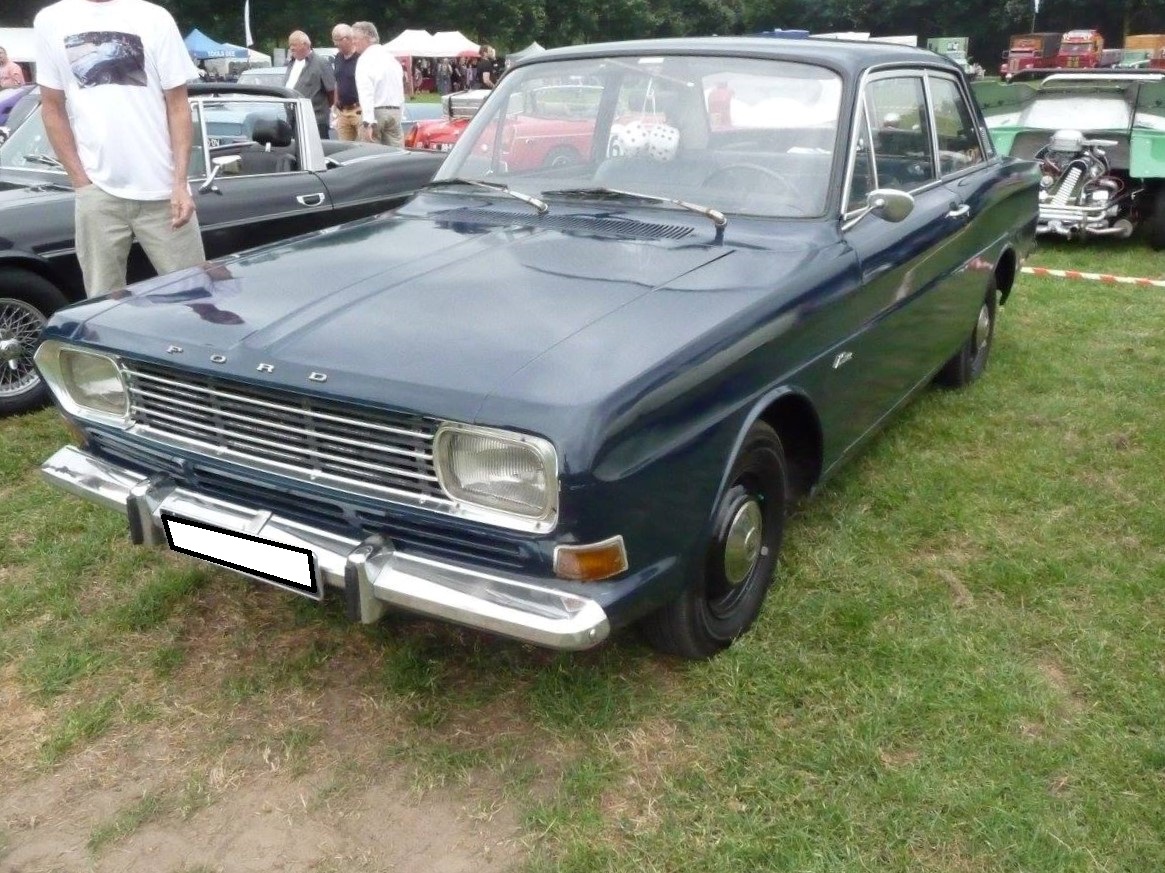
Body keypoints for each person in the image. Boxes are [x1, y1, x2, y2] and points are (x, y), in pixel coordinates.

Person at [33, 0, 205, 298]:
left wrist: (180, 183)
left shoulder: (154, 17)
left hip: (164, 192)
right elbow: (51, 107)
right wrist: (80, 182)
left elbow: (178, 105)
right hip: (98, 192)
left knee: (196, 297)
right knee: (102, 303)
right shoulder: (50, 20)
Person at [351, 21, 411, 148]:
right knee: (397, 154)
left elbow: (366, 92)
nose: (353, 41)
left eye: (355, 38)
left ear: (367, 38)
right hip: (395, 112)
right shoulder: (391, 58)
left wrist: (368, 122)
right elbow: (399, 88)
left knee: (370, 153)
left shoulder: (364, 59)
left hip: (376, 112)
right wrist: (400, 113)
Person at [285, 30, 335, 139]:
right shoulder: (291, 63)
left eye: (294, 44)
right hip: (294, 119)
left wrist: (325, 111)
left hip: (315, 121)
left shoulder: (321, 63)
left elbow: (332, 91)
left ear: (305, 45)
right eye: (290, 45)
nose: (291, 48)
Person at [330, 23, 360, 141]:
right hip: (342, 111)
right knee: (344, 146)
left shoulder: (360, 57)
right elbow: (337, 81)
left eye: (338, 42)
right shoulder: (338, 57)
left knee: (363, 145)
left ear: (347, 39)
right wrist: (335, 104)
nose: (336, 45)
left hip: (359, 109)